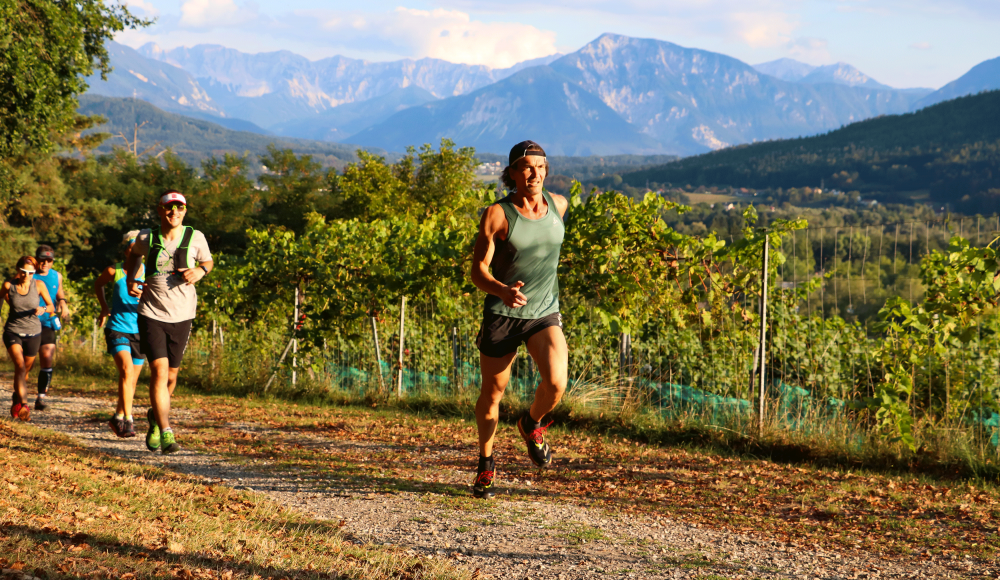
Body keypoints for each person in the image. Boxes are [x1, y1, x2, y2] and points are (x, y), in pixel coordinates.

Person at [469, 140, 569, 499]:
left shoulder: (559, 205)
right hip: (503, 313)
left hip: (543, 311)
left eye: (541, 167)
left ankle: (531, 423)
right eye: (527, 167)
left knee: (556, 384)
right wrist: (502, 291)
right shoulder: (497, 214)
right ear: (511, 172)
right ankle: (486, 462)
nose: (535, 174)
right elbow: (478, 271)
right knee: (492, 395)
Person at [125, 191, 213, 454]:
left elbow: (208, 261)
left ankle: (154, 418)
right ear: (160, 210)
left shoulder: (195, 237)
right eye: (169, 207)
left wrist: (200, 270)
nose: (174, 212)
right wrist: (131, 279)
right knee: (160, 372)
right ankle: (166, 432)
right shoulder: (145, 237)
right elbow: (133, 254)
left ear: (185, 211)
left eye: (179, 208)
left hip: (183, 314)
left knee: (172, 376)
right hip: (151, 313)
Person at [94, 231, 146, 438]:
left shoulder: (149, 274)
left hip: (141, 332)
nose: (136, 253)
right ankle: (129, 420)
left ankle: (117, 416)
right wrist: (104, 307)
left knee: (131, 380)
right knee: (126, 371)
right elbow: (98, 284)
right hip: (117, 329)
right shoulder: (114, 271)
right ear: (126, 252)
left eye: (139, 251)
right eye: (132, 249)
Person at [2, 256, 55, 421]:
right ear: (18, 270)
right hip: (13, 331)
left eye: (31, 272)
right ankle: (24, 405)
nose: (27, 275)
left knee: (25, 372)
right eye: (24, 272)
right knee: (20, 366)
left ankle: (17, 398)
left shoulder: (39, 285)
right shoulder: (8, 286)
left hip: (34, 333)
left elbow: (52, 306)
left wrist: (44, 308)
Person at [33, 245, 68, 411]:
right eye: (42, 260)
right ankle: (19, 395)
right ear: (36, 260)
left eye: (49, 260)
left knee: (47, 356)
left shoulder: (57, 276)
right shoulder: (28, 275)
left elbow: (59, 293)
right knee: (28, 362)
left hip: (48, 321)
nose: (45, 263)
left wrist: (63, 302)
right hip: (29, 322)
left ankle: (41, 397)